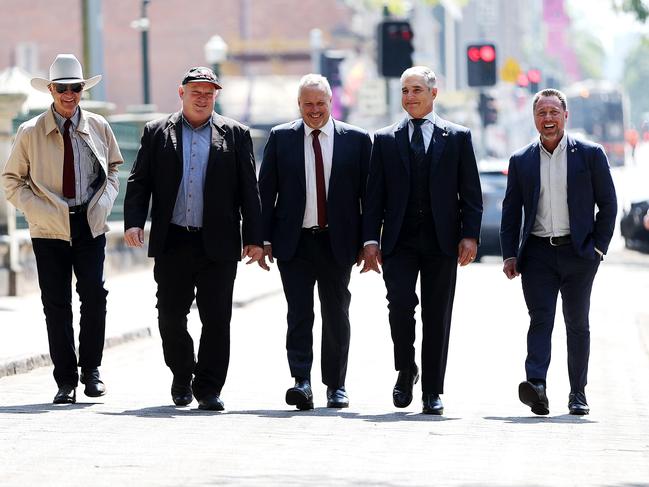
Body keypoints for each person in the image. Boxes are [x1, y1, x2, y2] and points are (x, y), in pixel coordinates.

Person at [123, 67, 263, 411]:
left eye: (209, 93)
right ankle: (182, 375)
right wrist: (133, 222)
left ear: (216, 96)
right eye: (196, 92)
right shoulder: (157, 132)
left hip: (219, 242)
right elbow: (139, 181)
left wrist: (255, 237)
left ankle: (209, 388)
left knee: (217, 319)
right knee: (170, 315)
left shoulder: (235, 134)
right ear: (181, 93)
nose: (202, 98)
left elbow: (249, 188)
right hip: (174, 241)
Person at [361, 66, 482, 415]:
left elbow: (470, 194)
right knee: (399, 306)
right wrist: (370, 239)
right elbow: (374, 197)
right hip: (398, 241)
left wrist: (470, 236)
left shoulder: (457, 137)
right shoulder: (384, 139)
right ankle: (405, 368)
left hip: (442, 241)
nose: (410, 97)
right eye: (404, 91)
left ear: (433, 93)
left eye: (417, 90)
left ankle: (432, 390)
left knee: (437, 314)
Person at [2, 54, 122, 404]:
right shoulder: (30, 132)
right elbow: (11, 181)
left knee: (94, 296)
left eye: (75, 88)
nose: (69, 95)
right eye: (62, 88)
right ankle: (65, 381)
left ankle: (92, 371)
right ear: (51, 90)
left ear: (82, 89)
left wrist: (103, 204)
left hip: (89, 224)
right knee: (56, 303)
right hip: (48, 230)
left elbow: (114, 168)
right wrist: (38, 210)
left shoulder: (99, 126)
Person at [500, 88, 617, 416]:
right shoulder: (521, 160)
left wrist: (598, 248)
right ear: (534, 118)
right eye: (541, 113)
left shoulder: (590, 154)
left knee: (577, 322)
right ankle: (536, 385)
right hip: (537, 254)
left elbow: (608, 204)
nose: (548, 118)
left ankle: (578, 393)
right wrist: (510, 254)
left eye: (554, 112)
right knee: (540, 319)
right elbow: (511, 212)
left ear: (566, 116)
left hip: (579, 253)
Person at [258, 74, 371, 410]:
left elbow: (370, 197)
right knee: (299, 314)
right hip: (294, 243)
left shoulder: (357, 140)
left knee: (336, 314)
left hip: (338, 243)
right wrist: (261, 240)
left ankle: (336, 385)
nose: (314, 110)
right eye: (308, 104)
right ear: (299, 105)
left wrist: (368, 242)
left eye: (320, 103)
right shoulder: (281, 138)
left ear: (330, 103)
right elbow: (266, 193)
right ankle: (302, 382)